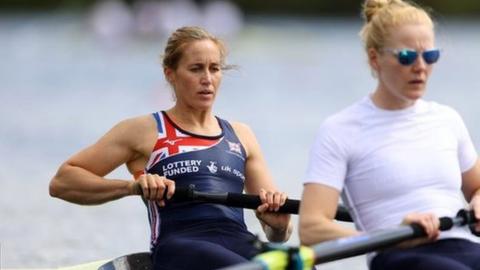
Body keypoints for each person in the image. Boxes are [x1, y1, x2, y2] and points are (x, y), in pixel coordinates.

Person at [49, 26, 292, 270]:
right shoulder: (143, 130)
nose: (207, 79)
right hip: (181, 246)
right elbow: (63, 182)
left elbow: (276, 235)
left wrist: (279, 225)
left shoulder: (242, 135)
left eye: (214, 69)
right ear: (170, 74)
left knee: (302, 264)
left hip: (240, 243)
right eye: (196, 69)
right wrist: (132, 187)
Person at [299, 0, 480, 269]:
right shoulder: (340, 130)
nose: (420, 67)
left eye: (430, 56)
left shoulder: (447, 118)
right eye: (407, 57)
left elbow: (477, 187)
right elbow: (311, 230)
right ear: (375, 58)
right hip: (398, 256)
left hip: (465, 246)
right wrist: (389, 238)